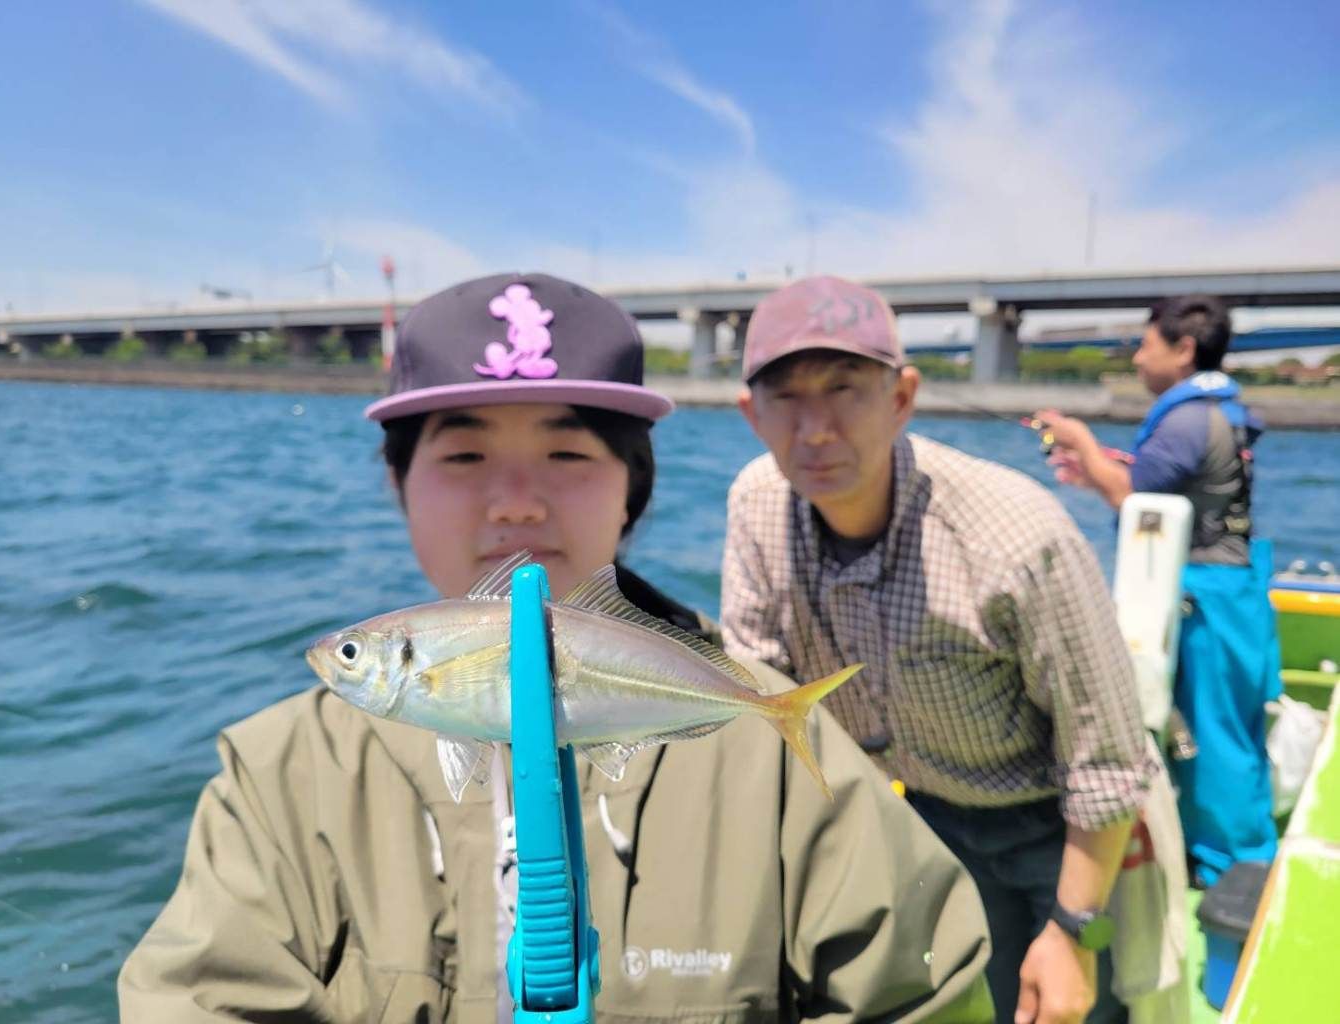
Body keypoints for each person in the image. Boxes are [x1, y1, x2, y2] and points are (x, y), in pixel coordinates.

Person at [119, 273, 993, 1023]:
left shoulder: (775, 768)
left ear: (632, 490)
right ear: (398, 483)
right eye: (464, 455)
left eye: (569, 453)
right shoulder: (278, 782)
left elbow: (927, 995)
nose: (517, 501)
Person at [720, 276, 1159, 1024]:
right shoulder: (757, 505)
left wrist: (1074, 929)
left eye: (845, 389)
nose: (815, 428)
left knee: (1065, 1003)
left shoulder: (1016, 537)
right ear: (751, 414)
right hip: (896, 809)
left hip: (1045, 822)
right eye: (786, 397)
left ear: (901, 398)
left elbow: (1107, 761)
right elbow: (763, 696)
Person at [1035, 293, 1281, 887]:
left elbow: (1134, 499)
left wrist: (1081, 442)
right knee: (1228, 728)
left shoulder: (1186, 419)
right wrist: (1096, 470)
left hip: (1205, 598)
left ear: (1184, 349)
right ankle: (1230, 855)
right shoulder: (1216, 411)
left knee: (1213, 734)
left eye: (1146, 346)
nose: (1138, 359)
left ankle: (1236, 875)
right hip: (1233, 588)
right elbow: (1157, 492)